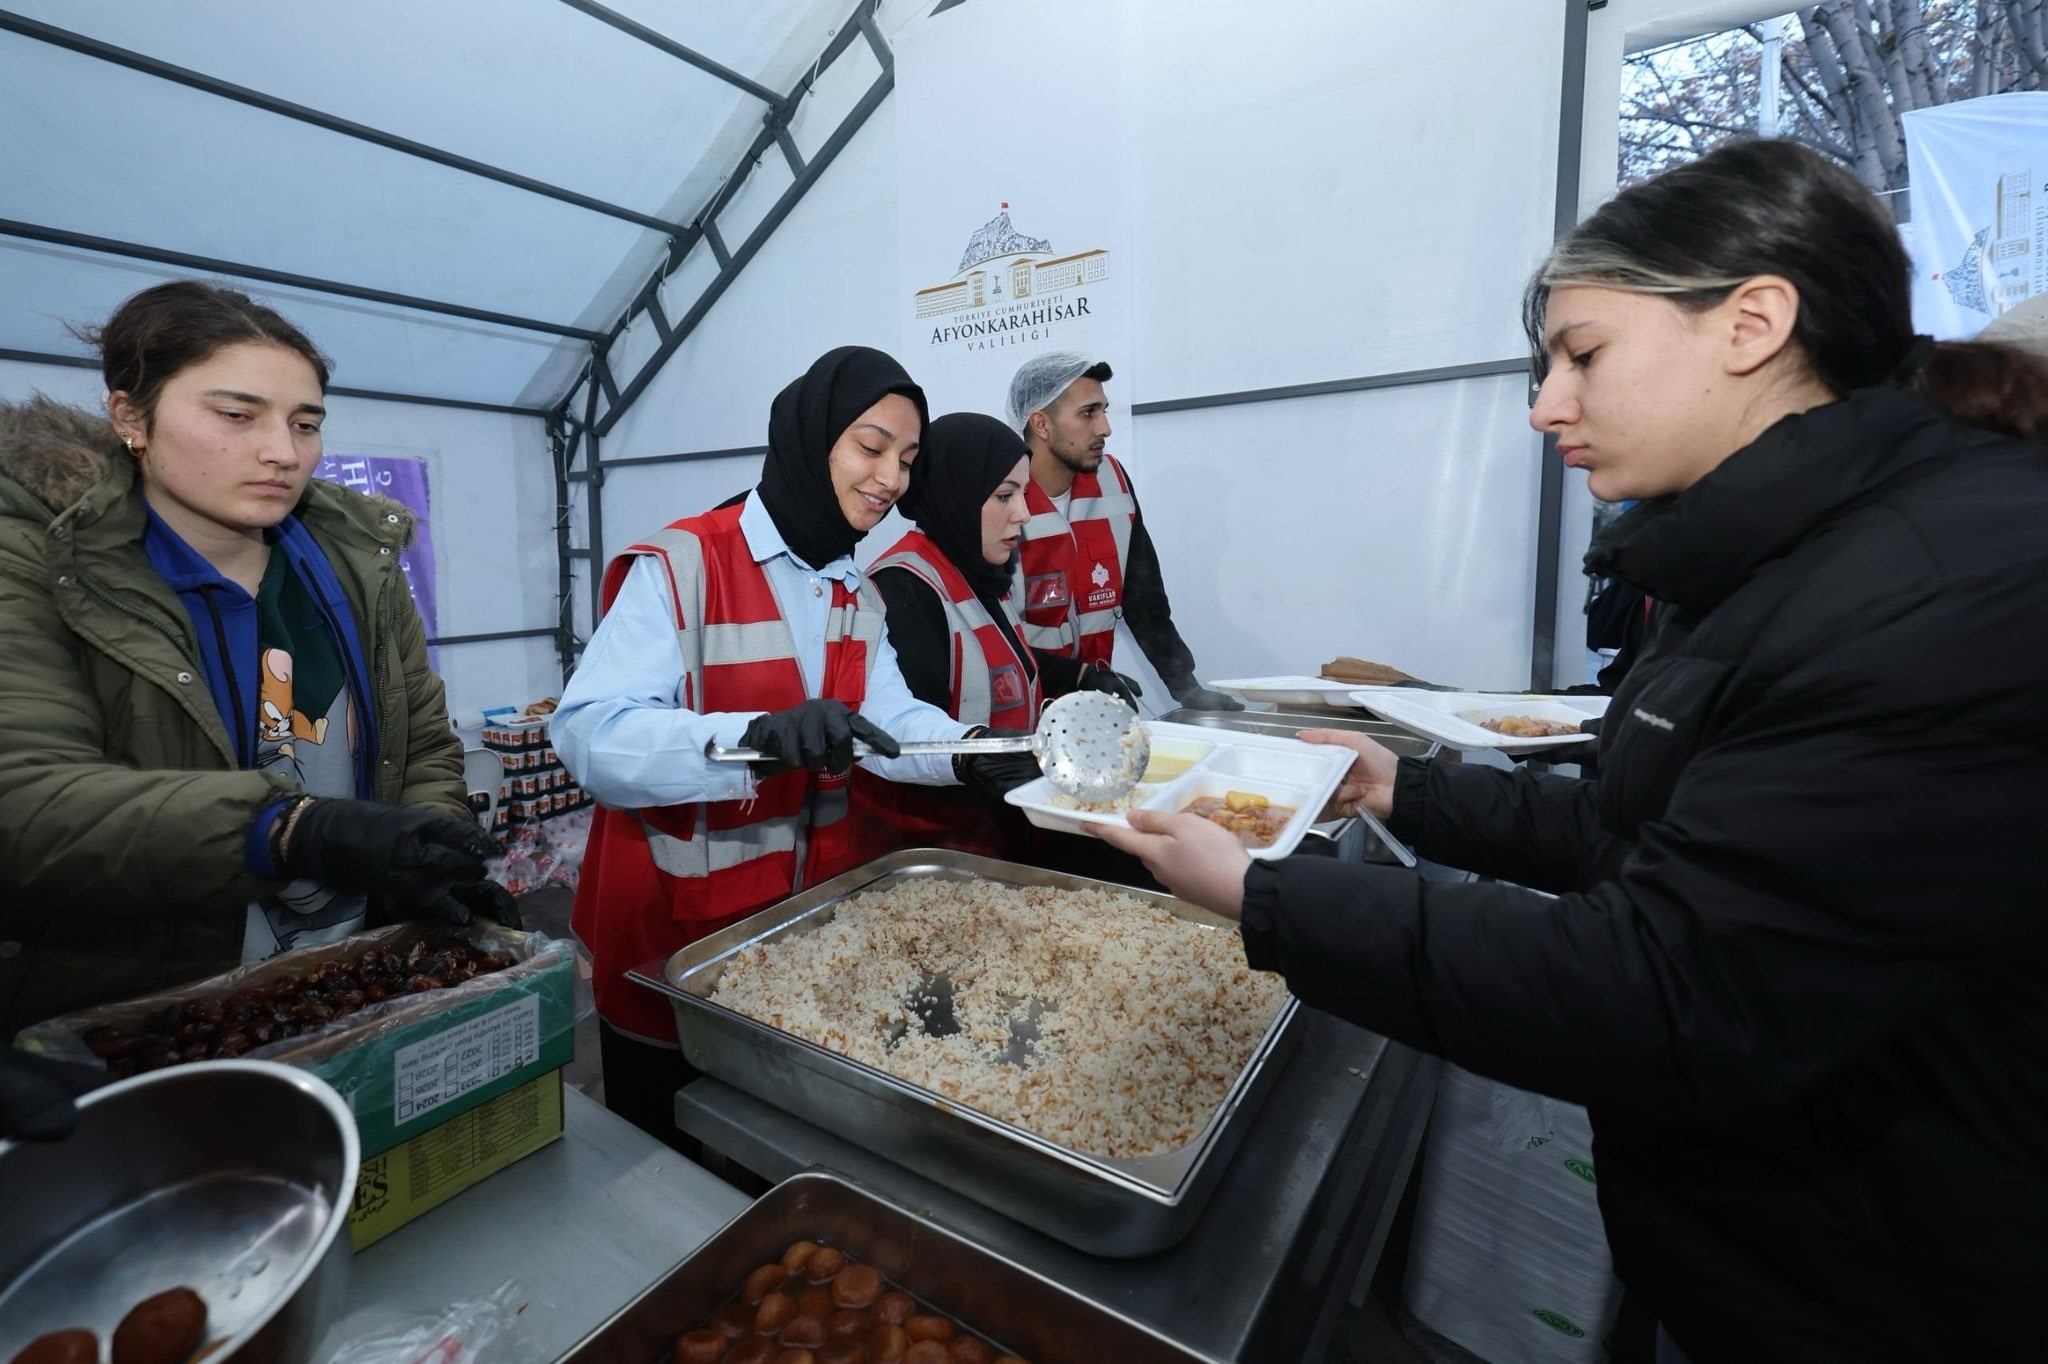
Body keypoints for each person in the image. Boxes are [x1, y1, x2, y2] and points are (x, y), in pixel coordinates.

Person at [1100, 139, 2048, 1360]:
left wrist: (1272, 895)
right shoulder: (1760, 558)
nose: (1545, 402)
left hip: (1906, 1282)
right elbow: (1649, 832)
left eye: (1580, 354)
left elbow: (1669, 983)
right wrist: (1406, 787)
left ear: (1752, 321)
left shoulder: (1937, 586)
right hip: (1776, 1243)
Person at [0, 281, 512, 1041]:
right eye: (236, 416)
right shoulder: (40, 560)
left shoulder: (355, 565)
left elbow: (424, 742)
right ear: (129, 416)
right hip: (154, 1009)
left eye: (305, 424)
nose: (282, 452)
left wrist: (423, 859)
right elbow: (26, 803)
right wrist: (287, 832)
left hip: (341, 984)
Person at [554, 348, 1038, 1141]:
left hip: (791, 937)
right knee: (666, 1158)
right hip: (671, 944)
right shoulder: (685, 564)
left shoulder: (856, 589)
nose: (890, 479)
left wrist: (977, 752)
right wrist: (756, 739)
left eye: (907, 461)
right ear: (810, 439)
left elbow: (889, 724)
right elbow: (589, 734)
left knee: (758, 1148)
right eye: (871, 447)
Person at [856, 412, 1119, 860]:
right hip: (938, 848)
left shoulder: (974, 567)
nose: (1024, 513)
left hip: (999, 832)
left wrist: (1077, 676)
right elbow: (908, 735)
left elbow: (996, 655)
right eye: (1004, 496)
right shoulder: (905, 589)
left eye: (1023, 493)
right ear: (957, 496)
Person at [1005, 351, 1240, 711]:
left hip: (1092, 709)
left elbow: (1143, 600)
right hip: (1021, 712)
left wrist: (1185, 688)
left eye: (1103, 411)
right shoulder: (1000, 498)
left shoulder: (1111, 481)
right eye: (1088, 413)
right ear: (1041, 424)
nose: (1104, 428)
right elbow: (993, 636)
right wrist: (1078, 676)